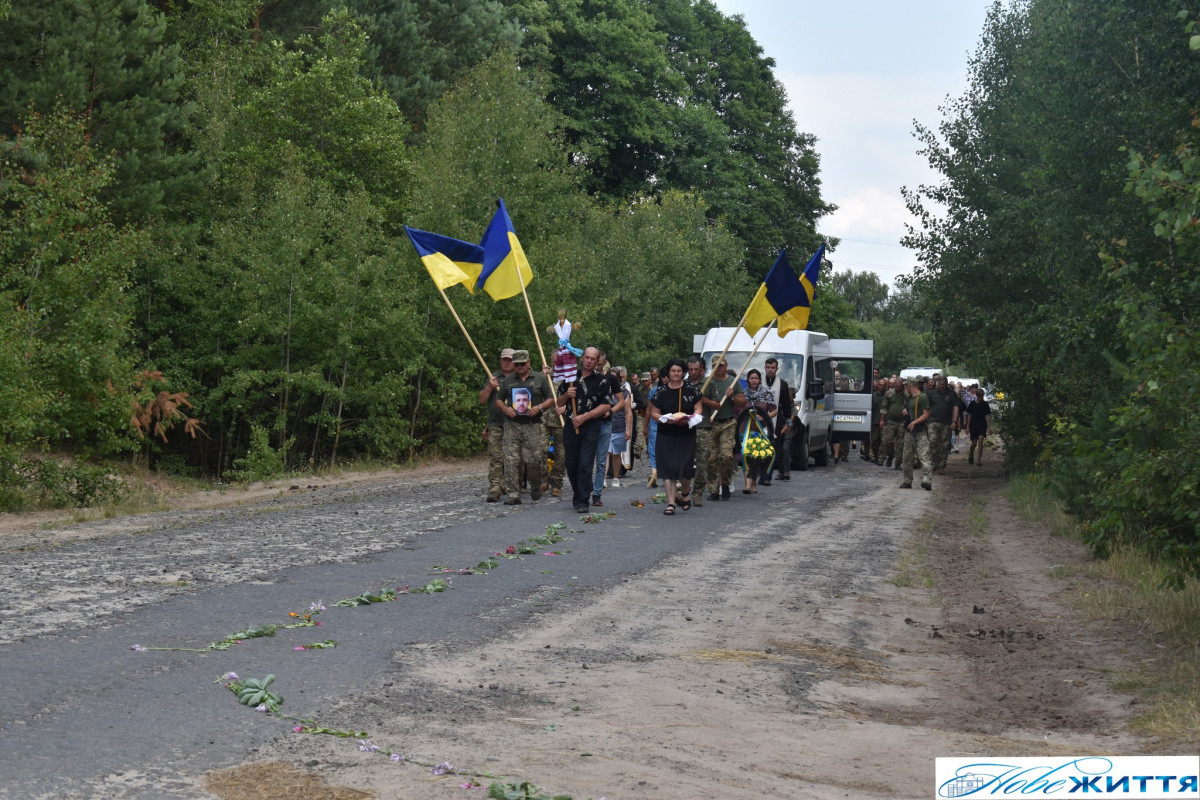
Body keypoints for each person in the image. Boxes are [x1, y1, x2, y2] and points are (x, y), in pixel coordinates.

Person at [555, 347, 613, 513]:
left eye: (592, 359)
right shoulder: (570, 378)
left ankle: (582, 501)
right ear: (582, 359)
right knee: (572, 464)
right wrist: (567, 395)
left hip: (591, 426)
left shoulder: (602, 380)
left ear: (597, 361)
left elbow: (606, 405)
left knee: (585, 463)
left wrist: (585, 417)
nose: (589, 361)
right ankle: (579, 491)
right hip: (571, 425)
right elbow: (559, 402)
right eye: (586, 357)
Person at [495, 350, 554, 505]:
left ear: (529, 362)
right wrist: (505, 408)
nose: (520, 367)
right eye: (517, 364)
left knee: (533, 459)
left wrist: (539, 408)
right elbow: (498, 399)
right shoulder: (508, 380)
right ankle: (513, 493)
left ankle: (535, 484)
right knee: (511, 460)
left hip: (532, 425)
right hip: (512, 425)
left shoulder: (540, 378)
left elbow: (550, 398)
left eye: (523, 364)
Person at [650, 359, 703, 515]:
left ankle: (685, 493)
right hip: (666, 434)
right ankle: (671, 503)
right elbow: (654, 412)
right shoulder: (661, 391)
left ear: (683, 372)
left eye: (679, 371)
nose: (676, 374)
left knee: (686, 469)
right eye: (673, 371)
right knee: (668, 468)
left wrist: (689, 419)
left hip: (686, 434)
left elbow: (698, 409)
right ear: (668, 372)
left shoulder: (692, 389)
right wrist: (666, 419)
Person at [702, 355, 745, 501]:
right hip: (712, 423)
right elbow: (702, 400)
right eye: (715, 365)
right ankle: (714, 489)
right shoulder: (708, 382)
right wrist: (710, 404)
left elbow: (743, 403)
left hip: (728, 423)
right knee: (712, 458)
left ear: (725, 366)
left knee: (726, 455)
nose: (718, 368)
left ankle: (725, 483)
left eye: (720, 365)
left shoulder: (732, 382)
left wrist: (732, 396)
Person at [479, 348, 516, 502]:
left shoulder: (520, 377)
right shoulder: (493, 377)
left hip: (515, 424)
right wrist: (489, 387)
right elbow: (482, 400)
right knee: (496, 457)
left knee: (512, 458)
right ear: (500, 361)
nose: (507, 363)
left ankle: (510, 485)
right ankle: (494, 486)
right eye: (504, 360)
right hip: (496, 423)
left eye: (510, 360)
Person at [740, 368, 776, 492]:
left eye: (756, 378)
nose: (754, 381)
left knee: (757, 456)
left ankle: (754, 483)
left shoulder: (767, 393)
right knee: (746, 455)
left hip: (761, 429)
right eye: (751, 378)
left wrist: (763, 417)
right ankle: (747, 485)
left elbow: (774, 410)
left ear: (760, 380)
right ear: (748, 380)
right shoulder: (743, 394)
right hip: (746, 428)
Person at [590, 348, 618, 507]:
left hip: (605, 423)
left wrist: (611, 410)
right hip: (589, 422)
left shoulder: (611, 379)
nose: (596, 366)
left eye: (599, 364)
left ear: (604, 363)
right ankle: (586, 486)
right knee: (586, 459)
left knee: (601, 460)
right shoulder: (586, 376)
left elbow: (620, 400)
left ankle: (597, 492)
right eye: (594, 362)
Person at [899, 377, 933, 490]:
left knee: (924, 456)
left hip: (920, 431)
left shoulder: (922, 397)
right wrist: (907, 411)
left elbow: (926, 414)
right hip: (909, 431)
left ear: (910, 386)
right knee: (907, 457)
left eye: (906, 386)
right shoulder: (910, 399)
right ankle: (907, 480)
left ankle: (927, 479)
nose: (905, 389)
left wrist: (914, 422)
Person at [762, 357, 793, 481]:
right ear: (765, 368)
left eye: (772, 368)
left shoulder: (782, 384)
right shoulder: (759, 381)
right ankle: (761, 474)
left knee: (776, 448)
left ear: (777, 369)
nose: (770, 370)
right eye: (768, 368)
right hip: (760, 419)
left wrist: (788, 422)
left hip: (777, 420)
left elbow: (786, 405)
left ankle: (769, 474)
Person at [686, 356, 710, 504]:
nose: (693, 372)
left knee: (702, 462)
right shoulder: (683, 384)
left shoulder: (709, 383)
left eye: (696, 369)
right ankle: (683, 490)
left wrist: (705, 400)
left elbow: (718, 405)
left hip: (704, 427)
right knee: (685, 461)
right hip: (686, 427)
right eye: (690, 369)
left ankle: (698, 492)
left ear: (702, 369)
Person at [926, 375, 959, 472]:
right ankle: (933, 463)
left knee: (944, 445)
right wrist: (926, 420)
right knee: (932, 442)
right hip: (933, 421)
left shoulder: (952, 394)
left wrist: (954, 421)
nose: (941, 386)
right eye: (940, 384)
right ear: (937, 384)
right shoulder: (931, 394)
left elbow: (956, 407)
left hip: (946, 423)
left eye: (943, 384)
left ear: (946, 384)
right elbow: (926, 408)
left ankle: (941, 465)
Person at [605, 369, 631, 488]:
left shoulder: (624, 393)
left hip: (619, 426)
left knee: (616, 454)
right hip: (605, 425)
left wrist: (628, 429)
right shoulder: (604, 391)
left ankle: (616, 477)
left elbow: (628, 412)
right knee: (604, 453)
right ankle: (603, 478)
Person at [643, 369, 666, 488]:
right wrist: (645, 425)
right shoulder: (654, 391)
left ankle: (672, 476)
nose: (666, 379)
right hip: (655, 424)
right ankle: (654, 474)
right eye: (663, 376)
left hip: (669, 424)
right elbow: (649, 409)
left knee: (668, 450)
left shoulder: (678, 391)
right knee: (653, 449)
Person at [880, 376, 906, 469]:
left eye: (900, 386)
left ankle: (898, 463)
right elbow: (884, 407)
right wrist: (882, 420)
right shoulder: (889, 393)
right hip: (891, 420)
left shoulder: (907, 394)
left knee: (900, 443)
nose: (898, 388)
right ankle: (890, 456)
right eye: (897, 386)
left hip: (902, 421)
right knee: (888, 441)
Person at [967, 387, 992, 465]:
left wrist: (988, 427)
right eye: (979, 397)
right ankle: (971, 453)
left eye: (982, 397)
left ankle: (978, 460)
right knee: (974, 443)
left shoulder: (985, 404)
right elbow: (969, 415)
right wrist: (967, 426)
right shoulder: (972, 404)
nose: (981, 398)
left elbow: (987, 416)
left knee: (981, 440)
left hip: (982, 424)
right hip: (973, 425)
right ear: (976, 396)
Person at [868, 378, 886, 464]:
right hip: (874, 421)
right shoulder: (873, 396)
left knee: (883, 441)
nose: (882, 387)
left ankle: (880, 458)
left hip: (884, 422)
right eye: (880, 385)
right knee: (874, 440)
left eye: (883, 385)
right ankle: (873, 455)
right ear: (878, 385)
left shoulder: (887, 396)